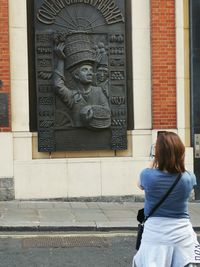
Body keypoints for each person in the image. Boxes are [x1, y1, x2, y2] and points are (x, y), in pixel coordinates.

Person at [133, 131, 200, 267]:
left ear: (158, 153)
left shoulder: (147, 175)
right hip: (182, 235)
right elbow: (182, 173)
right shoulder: (188, 177)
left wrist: (154, 160)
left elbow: (140, 185)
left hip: (155, 235)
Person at [54, 42, 111, 129]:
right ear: (76, 75)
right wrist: (61, 60)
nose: (90, 73)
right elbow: (58, 85)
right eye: (85, 70)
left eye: (91, 70)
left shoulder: (98, 92)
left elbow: (107, 111)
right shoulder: (72, 96)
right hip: (74, 138)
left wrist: (90, 109)